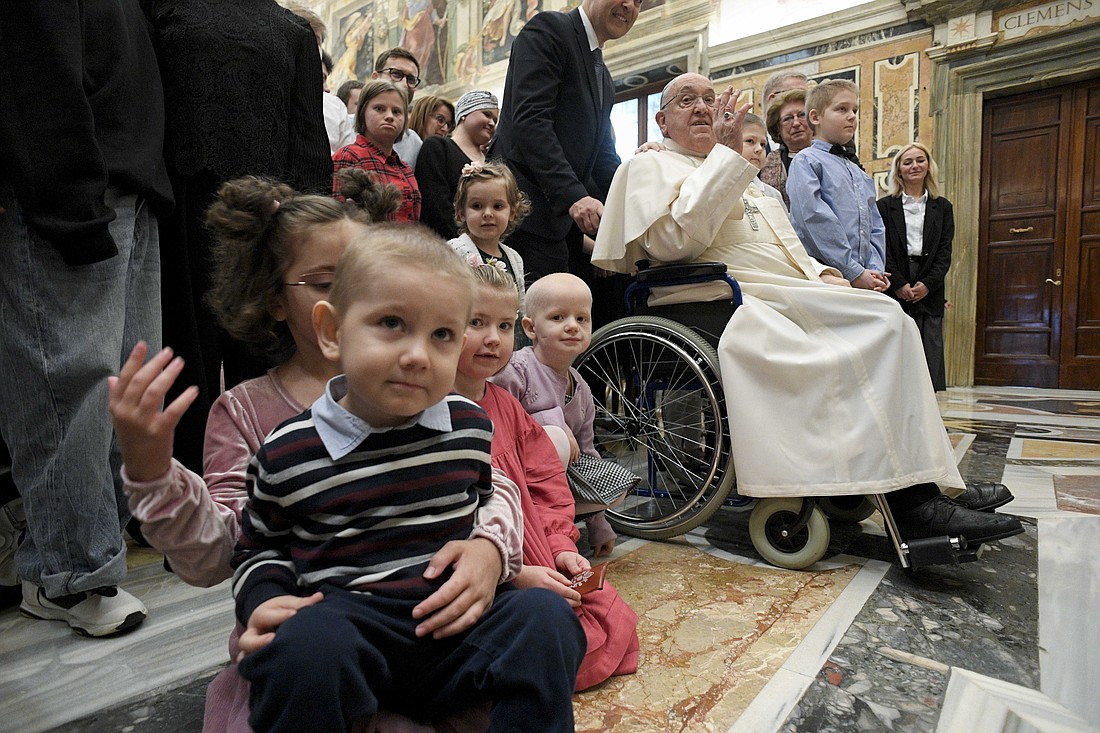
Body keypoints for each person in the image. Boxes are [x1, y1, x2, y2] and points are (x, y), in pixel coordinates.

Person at [111, 174, 523, 732]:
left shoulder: (430, 393)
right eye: (331, 280)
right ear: (276, 299)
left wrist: (489, 550)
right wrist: (152, 471)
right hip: (316, 644)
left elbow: (489, 485)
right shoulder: (248, 411)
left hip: (429, 633)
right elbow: (225, 551)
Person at [591, 73, 1022, 546]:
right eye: (686, 100)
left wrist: (826, 275)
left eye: (710, 100)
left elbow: (787, 248)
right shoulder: (650, 167)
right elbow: (672, 242)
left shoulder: (751, 181)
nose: (702, 108)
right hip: (718, 297)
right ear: (661, 120)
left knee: (886, 317)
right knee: (884, 324)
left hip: (784, 288)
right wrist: (727, 158)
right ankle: (915, 505)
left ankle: (924, 484)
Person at [228, 226, 584, 732]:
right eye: (392, 323)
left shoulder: (468, 426)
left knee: (544, 620)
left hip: (456, 628)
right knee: (300, 650)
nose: (418, 355)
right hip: (351, 634)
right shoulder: (290, 449)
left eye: (441, 335)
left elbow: (489, 501)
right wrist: (264, 599)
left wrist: (491, 553)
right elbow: (257, 546)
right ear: (332, 331)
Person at [0, 0, 172, 637]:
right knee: (66, 381)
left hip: (122, 183)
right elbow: (32, 71)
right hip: (72, 189)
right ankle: (64, 573)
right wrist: (65, 196)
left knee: (121, 387)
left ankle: (98, 547)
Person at [145, 0, 333, 473]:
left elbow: (309, 139)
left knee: (269, 352)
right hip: (185, 207)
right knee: (184, 356)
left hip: (269, 221)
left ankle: (283, 489)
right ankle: (190, 508)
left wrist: (307, 233)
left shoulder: (292, 31)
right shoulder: (164, 10)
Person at [454, 264, 639, 690]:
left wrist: (559, 547)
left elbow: (545, 483)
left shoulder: (505, 403)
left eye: (502, 326)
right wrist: (513, 573)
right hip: (486, 570)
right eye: (475, 323)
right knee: (551, 634)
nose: (493, 338)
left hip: (534, 545)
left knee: (607, 611)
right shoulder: (438, 411)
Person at [490, 0, 640, 285]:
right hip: (523, 215)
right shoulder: (549, 30)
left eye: (639, 1)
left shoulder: (604, 78)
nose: (629, 5)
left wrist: (639, 203)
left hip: (562, 228)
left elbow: (603, 156)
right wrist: (574, 195)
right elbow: (531, 121)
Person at [491, 274, 626, 557]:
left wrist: (598, 523)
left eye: (581, 319)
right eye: (558, 317)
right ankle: (531, 530)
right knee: (555, 439)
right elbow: (497, 422)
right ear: (530, 327)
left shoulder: (582, 388)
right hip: (511, 478)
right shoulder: (516, 370)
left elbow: (588, 451)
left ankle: (557, 523)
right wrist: (550, 422)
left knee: (617, 483)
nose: (572, 327)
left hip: (555, 480)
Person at [786, 79, 889, 293]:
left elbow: (875, 225)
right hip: (826, 277)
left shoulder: (857, 171)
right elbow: (813, 218)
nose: (852, 116)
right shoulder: (806, 161)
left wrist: (874, 270)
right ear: (815, 117)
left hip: (864, 278)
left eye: (854, 110)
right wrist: (852, 270)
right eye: (842, 109)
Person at [877, 142, 953, 391]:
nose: (914, 166)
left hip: (928, 281)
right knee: (896, 345)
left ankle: (927, 407)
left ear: (929, 165)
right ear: (898, 169)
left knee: (929, 347)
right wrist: (899, 284)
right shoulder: (884, 207)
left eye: (920, 160)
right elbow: (881, 247)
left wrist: (928, 285)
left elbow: (944, 251)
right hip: (896, 279)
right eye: (907, 162)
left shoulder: (943, 207)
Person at [446, 162, 530, 315]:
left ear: (512, 212)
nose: (487, 214)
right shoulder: (453, 251)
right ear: (461, 212)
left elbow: (521, 306)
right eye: (477, 206)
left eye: (497, 206)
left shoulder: (515, 258)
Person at [333, 80, 421, 222]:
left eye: (397, 111)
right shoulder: (349, 156)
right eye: (379, 109)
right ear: (362, 114)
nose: (389, 116)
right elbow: (339, 218)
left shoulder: (405, 169)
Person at [417, 91, 500, 240]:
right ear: (464, 113)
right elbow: (436, 205)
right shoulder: (437, 147)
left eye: (495, 119)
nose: (492, 123)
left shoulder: (492, 160)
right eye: (486, 114)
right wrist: (468, 245)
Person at [372, 47, 425, 168]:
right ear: (375, 77)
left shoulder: (414, 143)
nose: (403, 84)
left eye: (411, 79)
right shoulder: (346, 126)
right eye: (396, 74)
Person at [758, 88, 812, 207]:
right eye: (788, 118)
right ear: (778, 129)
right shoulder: (766, 161)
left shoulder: (832, 154)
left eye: (802, 115)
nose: (796, 123)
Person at [741, 113, 787, 207]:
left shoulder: (774, 195)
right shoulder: (725, 188)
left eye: (763, 144)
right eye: (750, 141)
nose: (759, 149)